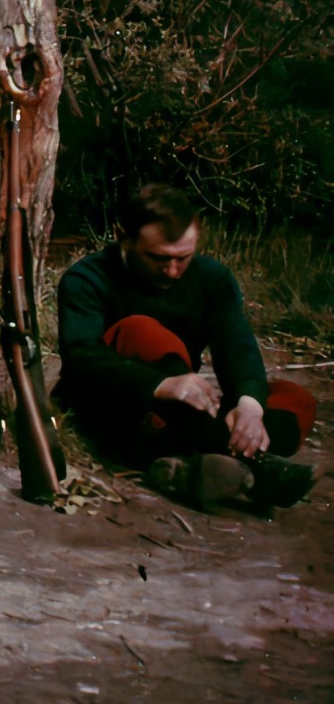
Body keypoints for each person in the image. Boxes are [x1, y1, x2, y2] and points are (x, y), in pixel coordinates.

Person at [56, 184, 317, 512]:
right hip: (119, 407)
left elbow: (236, 344)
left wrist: (249, 406)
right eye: (158, 258)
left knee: (295, 401)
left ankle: (203, 463)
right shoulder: (87, 278)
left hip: (186, 412)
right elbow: (81, 356)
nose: (172, 270)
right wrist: (161, 384)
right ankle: (251, 467)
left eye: (183, 258)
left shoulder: (213, 278)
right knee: (142, 331)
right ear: (125, 239)